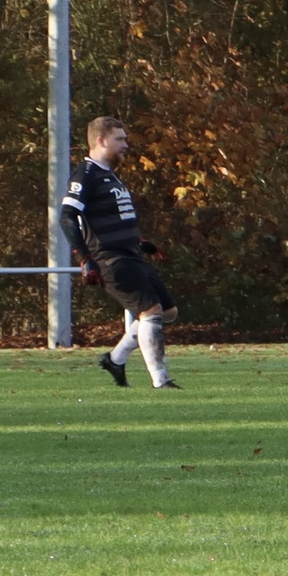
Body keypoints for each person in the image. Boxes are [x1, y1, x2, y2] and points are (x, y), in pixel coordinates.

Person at [58, 116, 181, 389]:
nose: (126, 144)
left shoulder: (109, 173)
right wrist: (85, 258)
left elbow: (113, 216)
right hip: (110, 258)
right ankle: (161, 381)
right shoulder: (86, 174)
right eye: (120, 139)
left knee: (168, 312)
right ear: (101, 140)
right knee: (150, 312)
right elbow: (67, 217)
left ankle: (115, 359)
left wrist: (140, 241)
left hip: (130, 254)